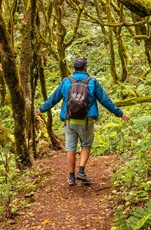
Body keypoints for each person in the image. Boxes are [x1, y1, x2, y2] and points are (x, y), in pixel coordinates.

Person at [35, 57, 129, 186]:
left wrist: (41, 109)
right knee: (86, 145)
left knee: (70, 148)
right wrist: (120, 113)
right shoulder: (92, 82)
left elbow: (54, 98)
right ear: (85, 67)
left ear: (74, 68)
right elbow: (105, 100)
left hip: (70, 121)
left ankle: (71, 177)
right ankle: (81, 171)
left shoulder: (66, 82)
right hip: (86, 121)